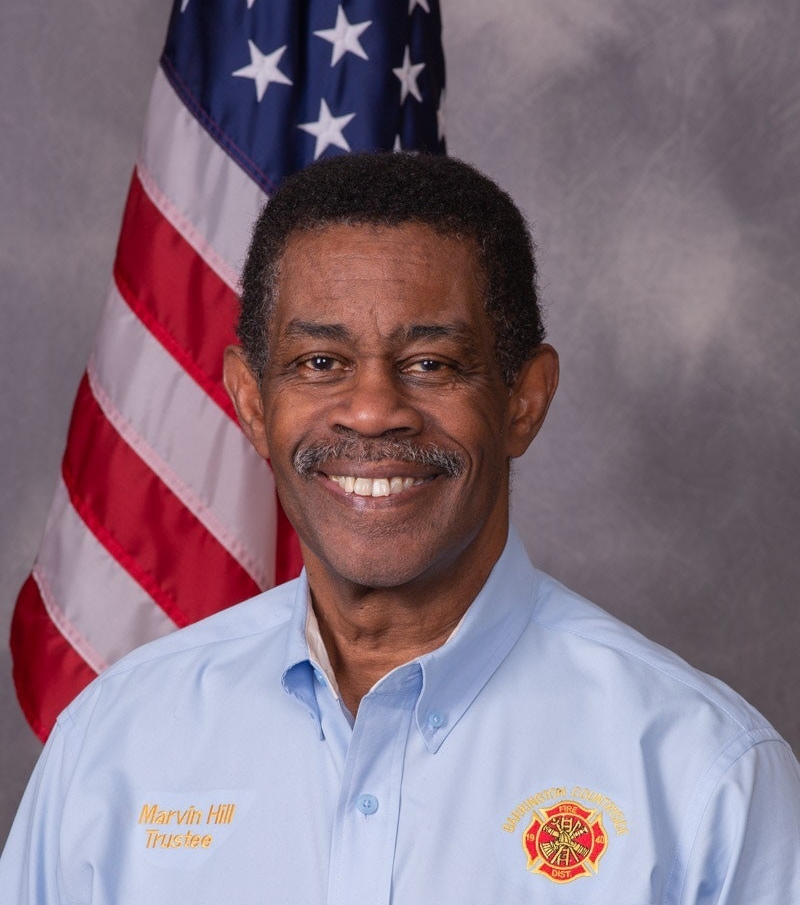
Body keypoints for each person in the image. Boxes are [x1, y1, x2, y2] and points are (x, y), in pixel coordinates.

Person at [1, 152, 798, 904]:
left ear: (525, 399)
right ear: (250, 403)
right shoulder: (114, 747)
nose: (375, 410)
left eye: (431, 364)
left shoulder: (701, 773)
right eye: (320, 363)